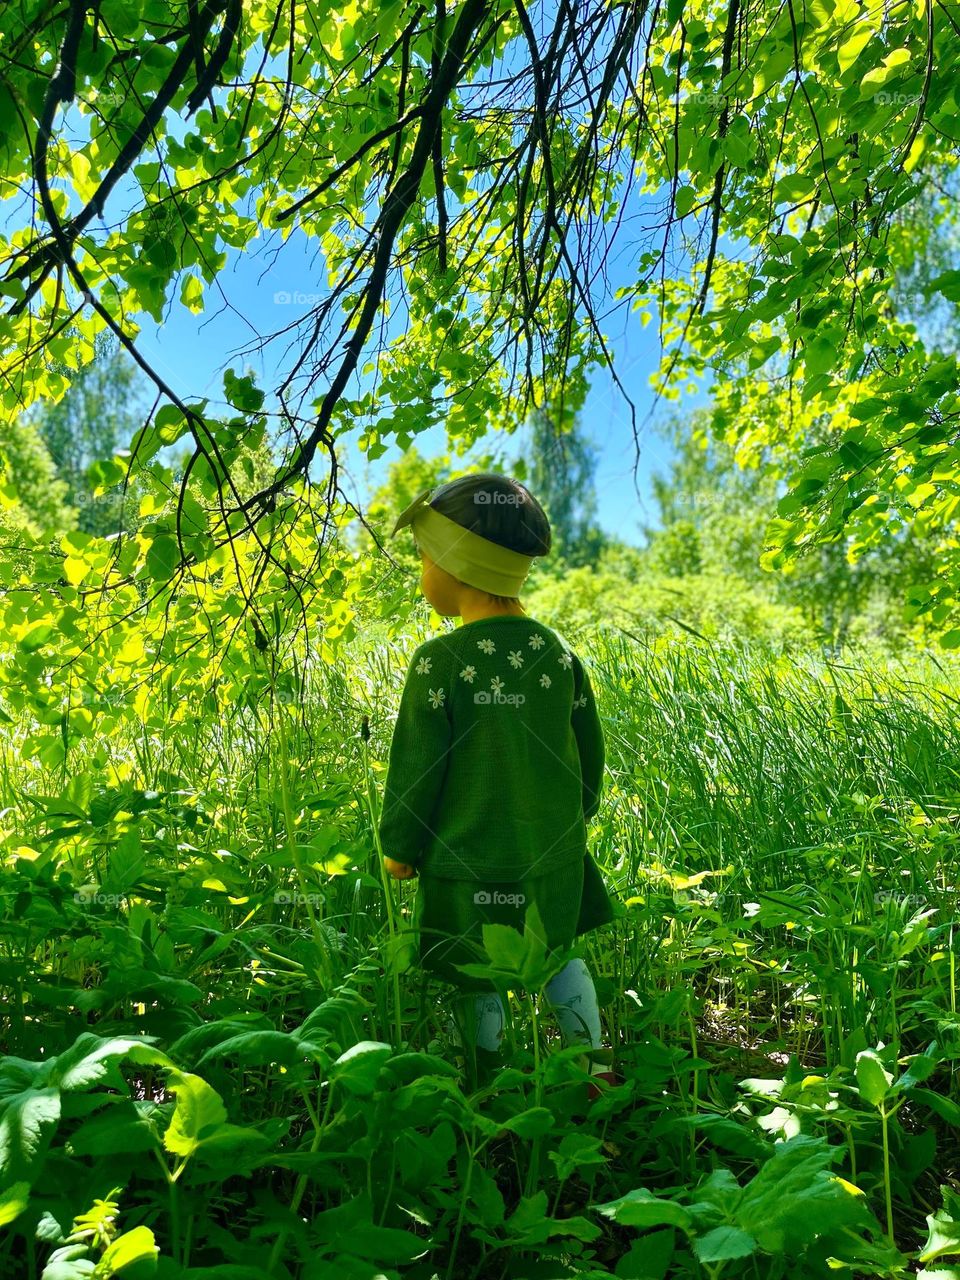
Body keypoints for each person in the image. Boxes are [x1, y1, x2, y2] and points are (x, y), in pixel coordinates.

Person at [377, 472, 617, 1091]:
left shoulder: (439, 664)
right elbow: (589, 757)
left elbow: (417, 769)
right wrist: (571, 818)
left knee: (473, 972)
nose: (423, 573)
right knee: (560, 956)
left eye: (426, 559)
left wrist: (400, 846)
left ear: (455, 566)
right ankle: (591, 1066)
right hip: (552, 855)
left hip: (467, 863)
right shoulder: (560, 655)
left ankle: (485, 1080)